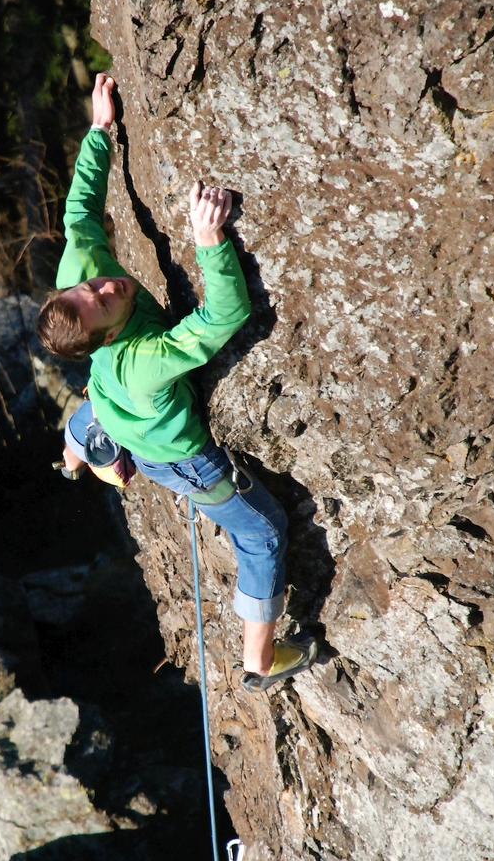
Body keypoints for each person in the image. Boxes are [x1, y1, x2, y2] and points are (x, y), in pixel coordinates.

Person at [36, 72, 316, 689]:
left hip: (109, 404)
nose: (106, 287)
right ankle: (259, 662)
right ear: (107, 333)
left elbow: (79, 208)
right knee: (263, 532)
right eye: (102, 303)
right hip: (174, 453)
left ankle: (77, 450)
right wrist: (209, 242)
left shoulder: (80, 274)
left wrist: (99, 129)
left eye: (92, 287)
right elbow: (223, 317)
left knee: (99, 409)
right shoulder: (139, 358)